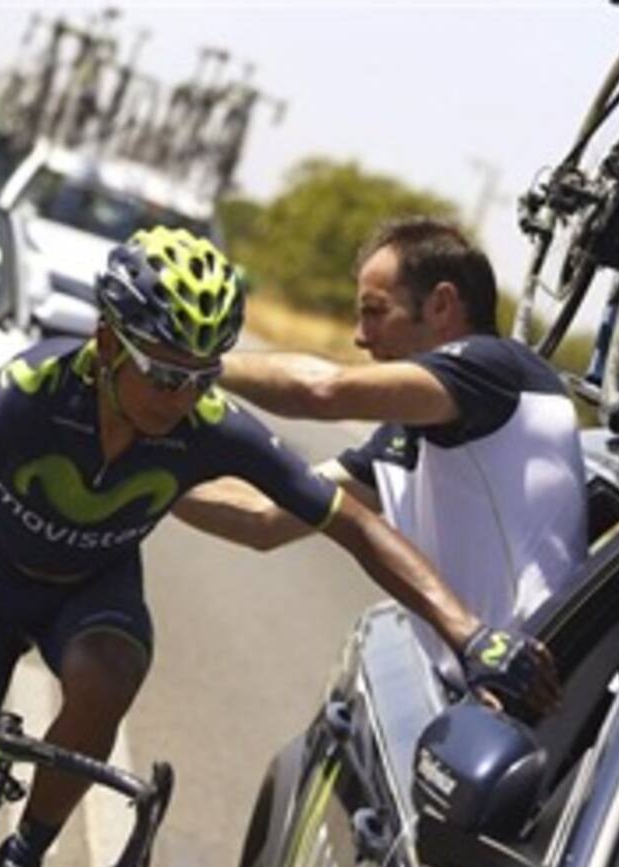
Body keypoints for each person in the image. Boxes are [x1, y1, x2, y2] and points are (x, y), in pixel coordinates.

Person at [0, 226, 559, 867]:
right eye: (161, 372)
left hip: (90, 591)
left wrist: (470, 634)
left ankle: (26, 852)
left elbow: (354, 529)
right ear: (107, 340)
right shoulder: (33, 389)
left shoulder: (209, 426)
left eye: (199, 376)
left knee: (110, 670)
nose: (179, 397)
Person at [176, 217, 589, 648]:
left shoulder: (495, 369)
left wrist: (192, 366)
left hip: (526, 685)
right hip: (470, 683)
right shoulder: (412, 431)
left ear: (441, 306)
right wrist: (142, 476)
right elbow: (263, 520)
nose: (359, 337)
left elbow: (322, 391)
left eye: (374, 312)